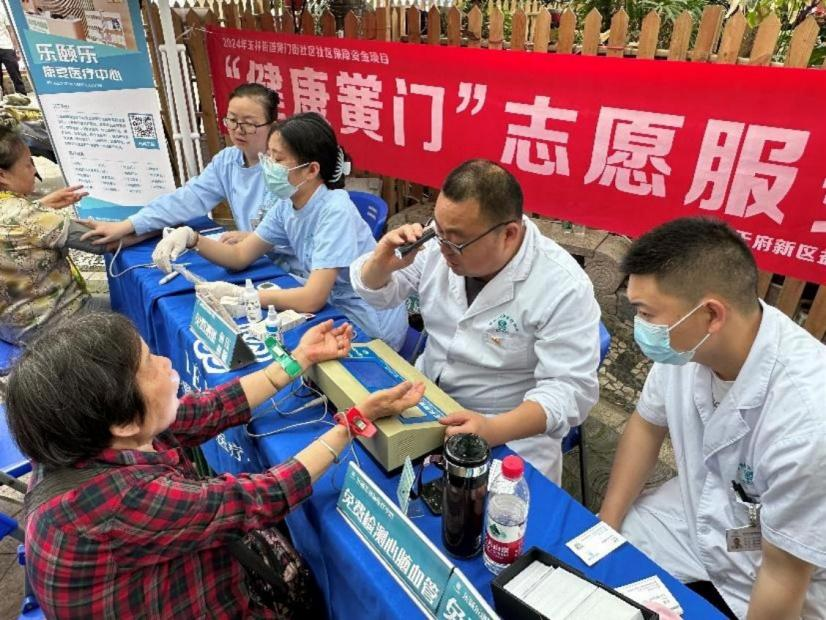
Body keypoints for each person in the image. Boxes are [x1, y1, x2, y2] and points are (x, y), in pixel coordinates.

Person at [8, 312, 425, 618]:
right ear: (122, 420)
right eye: (149, 364)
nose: (166, 363)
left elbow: (210, 409)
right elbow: (258, 497)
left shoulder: (83, 435)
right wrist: (352, 423)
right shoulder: (117, 501)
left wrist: (300, 357)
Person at [598, 218, 826, 619]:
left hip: (780, 559)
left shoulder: (807, 422)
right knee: (597, 573)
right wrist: (608, 522)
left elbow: (784, 574)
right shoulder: (689, 343)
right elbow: (647, 425)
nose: (640, 328)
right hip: (694, 513)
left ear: (712, 315)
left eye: (646, 313)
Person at [350, 159, 601, 482]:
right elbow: (379, 293)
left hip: (508, 428)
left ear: (509, 234)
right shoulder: (441, 242)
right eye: (438, 231)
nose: (443, 249)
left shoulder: (563, 286)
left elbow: (570, 391)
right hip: (428, 399)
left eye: (455, 241)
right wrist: (381, 261)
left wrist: (493, 429)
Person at [151, 112, 408, 351]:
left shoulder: (335, 210)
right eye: (269, 156)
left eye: (278, 159)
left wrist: (244, 296)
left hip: (368, 322)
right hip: (333, 305)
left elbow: (313, 298)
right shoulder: (287, 203)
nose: (269, 165)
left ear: (312, 170)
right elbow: (240, 255)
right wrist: (192, 238)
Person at [81, 83, 279, 247]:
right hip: (250, 256)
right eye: (232, 120)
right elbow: (188, 198)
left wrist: (256, 240)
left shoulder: (283, 167)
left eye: (249, 124)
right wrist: (129, 225)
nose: (238, 130)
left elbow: (295, 229)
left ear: (273, 125)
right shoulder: (227, 160)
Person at [0, 124, 101, 345]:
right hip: (58, 326)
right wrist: (147, 223)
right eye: (28, 164)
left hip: (10, 330)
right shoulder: (26, 215)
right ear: (2, 175)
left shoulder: (22, 213)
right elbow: (104, 241)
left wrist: (41, 206)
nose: (34, 171)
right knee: (134, 315)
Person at [0, 14, 25, 96]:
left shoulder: (2, 11)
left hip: (7, 47)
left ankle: (23, 97)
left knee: (15, 75)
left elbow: (11, 31)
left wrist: (16, 48)